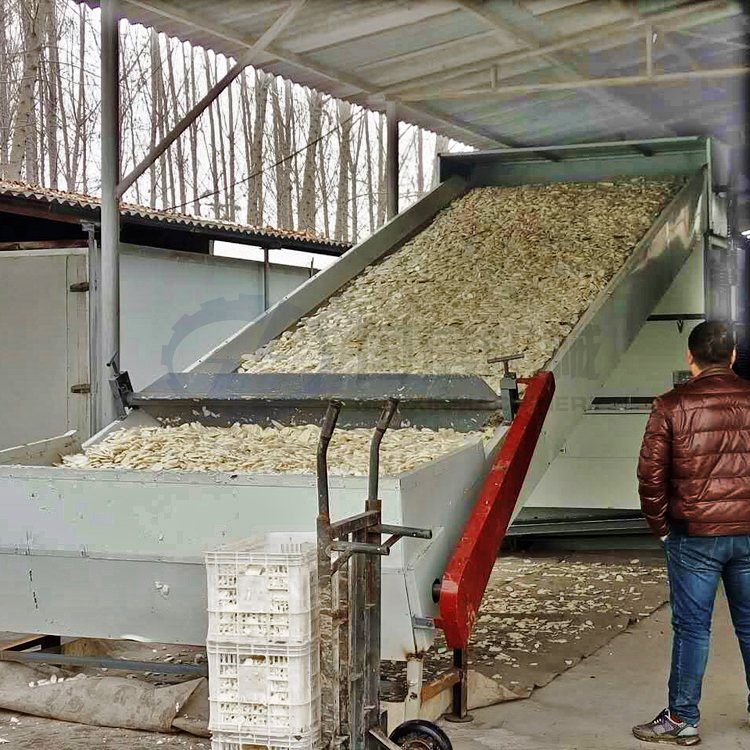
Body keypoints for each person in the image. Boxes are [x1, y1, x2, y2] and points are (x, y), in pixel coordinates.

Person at [633, 320, 750, 746]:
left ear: (690, 357)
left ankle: (683, 719)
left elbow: (650, 476)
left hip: (695, 535)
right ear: (733, 355)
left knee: (693, 629)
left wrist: (662, 528)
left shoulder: (670, 404)